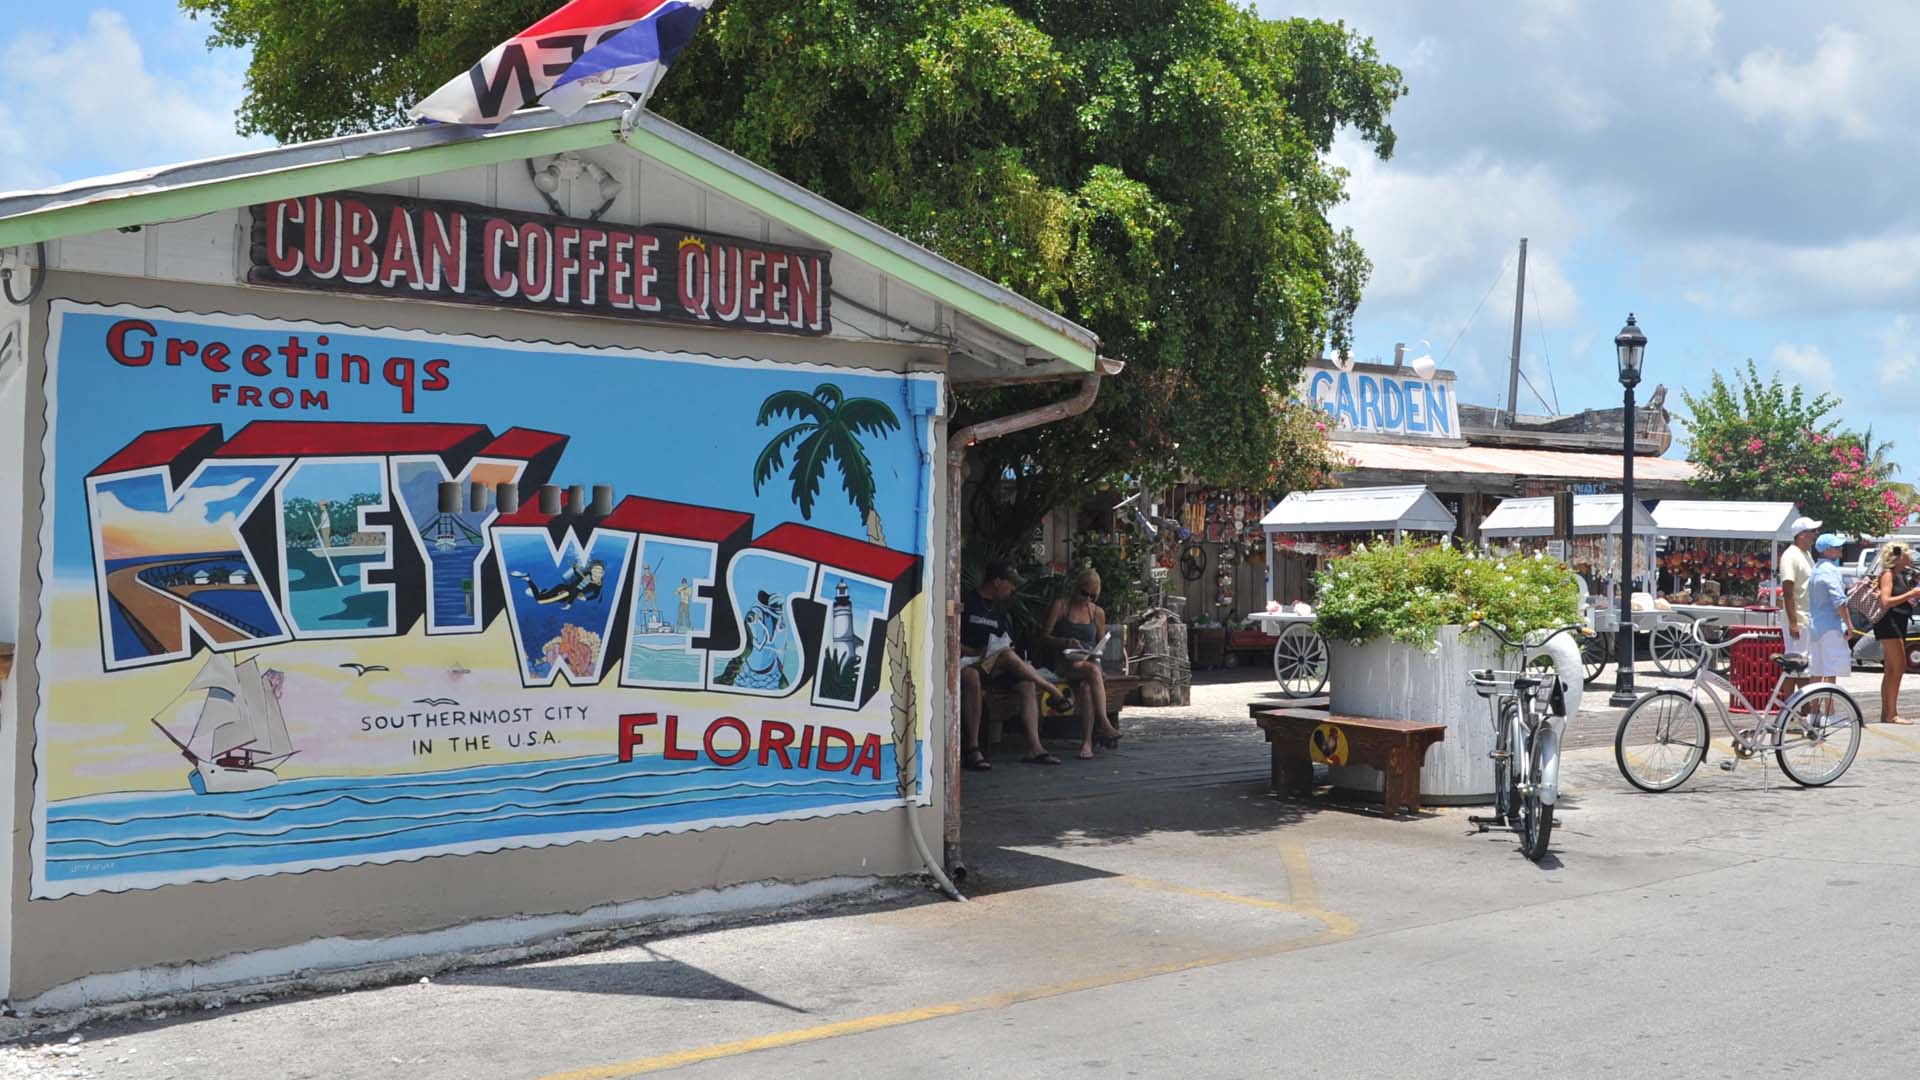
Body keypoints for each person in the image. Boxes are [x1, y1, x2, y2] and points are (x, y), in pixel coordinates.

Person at [959, 561, 1068, 768]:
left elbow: (1003, 641)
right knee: (982, 670)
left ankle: (1035, 747)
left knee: (1026, 681)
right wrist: (974, 651)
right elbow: (950, 638)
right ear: (998, 582)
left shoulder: (1001, 609)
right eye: (1011, 584)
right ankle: (973, 749)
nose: (1014, 589)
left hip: (994, 663)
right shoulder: (968, 601)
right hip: (968, 662)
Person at [1041, 568, 1124, 759]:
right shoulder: (1061, 606)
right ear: (1076, 588)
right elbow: (1043, 637)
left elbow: (1100, 644)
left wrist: (1096, 658)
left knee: (1087, 687)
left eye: (1092, 596)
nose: (1087, 599)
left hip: (1088, 662)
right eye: (1084, 593)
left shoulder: (1097, 613)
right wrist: (1065, 642)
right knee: (1093, 672)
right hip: (1065, 661)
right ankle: (1104, 723)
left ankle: (1086, 744)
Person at [1871, 541, 1920, 724]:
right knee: (1898, 668)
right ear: (1899, 556)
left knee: (1891, 669)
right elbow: (1886, 601)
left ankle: (1888, 712)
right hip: (1889, 624)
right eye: (1907, 553)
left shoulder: (1901, 575)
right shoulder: (1888, 574)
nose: (1910, 557)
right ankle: (1892, 713)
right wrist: (1911, 594)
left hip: (1897, 623)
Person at [1777, 516, 1820, 696]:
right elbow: (1787, 591)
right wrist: (1793, 622)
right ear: (1801, 535)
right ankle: (1790, 709)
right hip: (1798, 618)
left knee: (1802, 665)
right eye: (1812, 531)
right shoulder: (1790, 556)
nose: (1815, 535)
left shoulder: (1806, 554)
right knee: (1793, 664)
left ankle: (1801, 708)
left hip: (1806, 617)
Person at [1806, 533, 1852, 686]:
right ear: (1826, 550)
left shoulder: (1816, 569)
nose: (1840, 550)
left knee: (1816, 671)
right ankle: (1830, 709)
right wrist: (1849, 625)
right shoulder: (1831, 570)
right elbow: (1839, 601)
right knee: (1831, 671)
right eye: (1836, 547)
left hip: (1814, 626)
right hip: (1831, 627)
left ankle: (1814, 708)